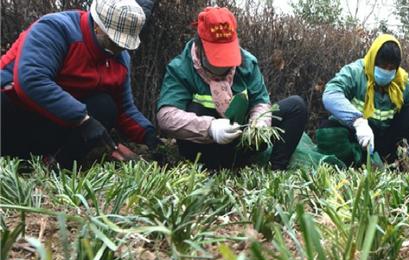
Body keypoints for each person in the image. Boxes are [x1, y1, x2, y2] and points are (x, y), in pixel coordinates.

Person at [1, 0, 159, 168]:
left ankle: (57, 165)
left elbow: (124, 108)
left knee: (105, 106)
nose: (119, 48)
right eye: (114, 41)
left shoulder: (120, 58)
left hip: (53, 121)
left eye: (123, 44)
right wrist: (83, 119)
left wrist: (147, 134)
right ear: (98, 26)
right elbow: (31, 80)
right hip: (14, 111)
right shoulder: (55, 29)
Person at [156, 7, 308, 170]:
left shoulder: (247, 63)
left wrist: (259, 123)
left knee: (296, 106)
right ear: (200, 48)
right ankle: (210, 169)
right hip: (205, 146)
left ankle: (276, 169)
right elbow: (166, 116)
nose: (224, 65)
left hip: (240, 139)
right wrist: (210, 128)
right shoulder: (181, 68)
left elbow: (261, 101)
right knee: (195, 108)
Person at [317, 34, 409, 167]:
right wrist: (357, 121)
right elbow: (330, 95)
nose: (386, 71)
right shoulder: (355, 72)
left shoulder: (401, 81)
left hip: (384, 138)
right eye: (383, 65)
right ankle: (358, 159)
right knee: (329, 130)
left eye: (392, 68)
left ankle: (393, 162)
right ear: (373, 60)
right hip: (357, 133)